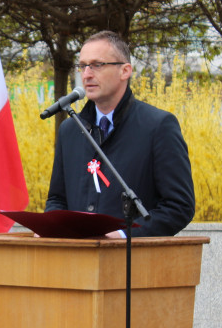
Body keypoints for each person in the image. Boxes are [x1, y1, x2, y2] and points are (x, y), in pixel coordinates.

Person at [45, 31, 195, 237]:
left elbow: (179, 206)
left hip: (132, 262)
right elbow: (57, 200)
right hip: (76, 261)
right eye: (82, 66)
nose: (86, 74)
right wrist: (51, 226)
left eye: (97, 65)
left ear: (125, 71)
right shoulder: (70, 130)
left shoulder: (158, 126)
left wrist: (124, 234)